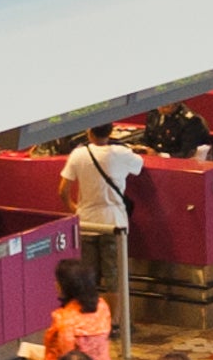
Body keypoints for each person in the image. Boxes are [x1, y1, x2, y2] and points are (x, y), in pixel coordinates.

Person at [61, 119, 149, 335]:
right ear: (110, 132)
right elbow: (140, 166)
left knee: (88, 276)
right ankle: (113, 324)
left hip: (87, 222)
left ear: (89, 131)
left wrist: (75, 208)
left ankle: (91, 321)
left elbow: (62, 190)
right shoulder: (121, 154)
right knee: (114, 277)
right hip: (114, 222)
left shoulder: (78, 155)